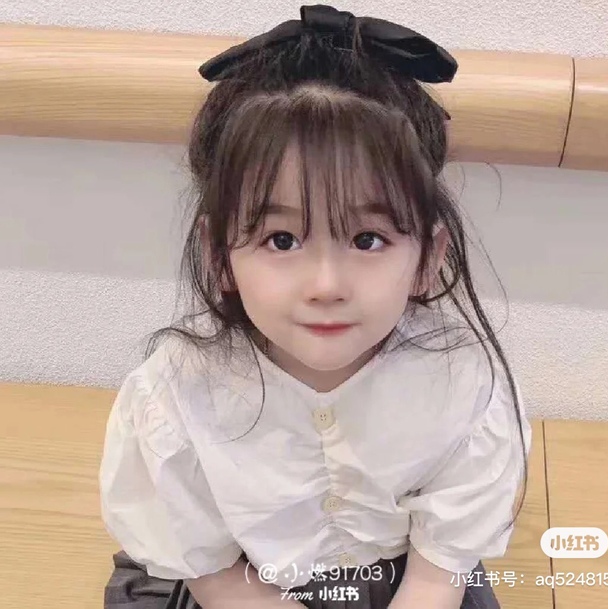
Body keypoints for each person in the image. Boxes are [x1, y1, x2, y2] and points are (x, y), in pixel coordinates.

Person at [100, 5, 532, 609]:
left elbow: (437, 575)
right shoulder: (176, 393)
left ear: (429, 255)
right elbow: (214, 575)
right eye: (281, 240)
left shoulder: (463, 382)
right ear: (219, 254)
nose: (326, 284)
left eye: (367, 239)